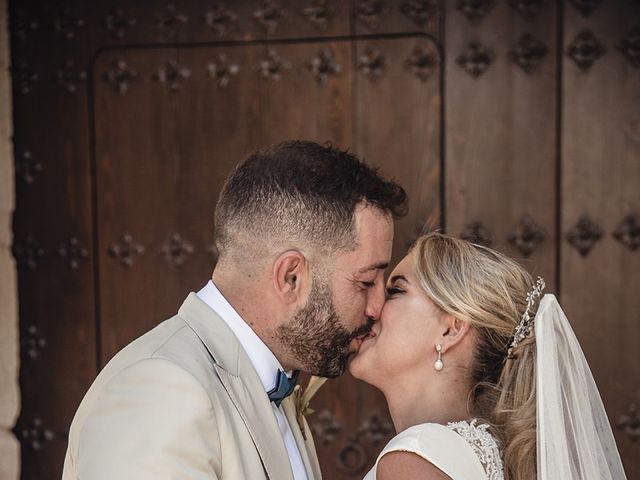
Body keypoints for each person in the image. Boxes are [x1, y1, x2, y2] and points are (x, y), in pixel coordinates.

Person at [62, 141, 407, 480]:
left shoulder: (274, 385)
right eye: (365, 282)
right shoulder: (160, 390)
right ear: (291, 277)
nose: (378, 306)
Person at [350, 232, 627, 480]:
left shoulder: (415, 457)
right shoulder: (486, 453)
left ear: (451, 329)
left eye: (396, 291)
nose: (373, 307)